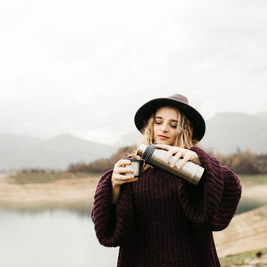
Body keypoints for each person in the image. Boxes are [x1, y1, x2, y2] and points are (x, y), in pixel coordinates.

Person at [91, 94, 242, 267]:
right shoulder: (132, 166)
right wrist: (113, 186)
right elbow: (106, 233)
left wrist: (199, 159)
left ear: (185, 130)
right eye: (158, 121)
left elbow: (230, 189)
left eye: (173, 124)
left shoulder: (196, 168)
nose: (163, 129)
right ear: (150, 125)